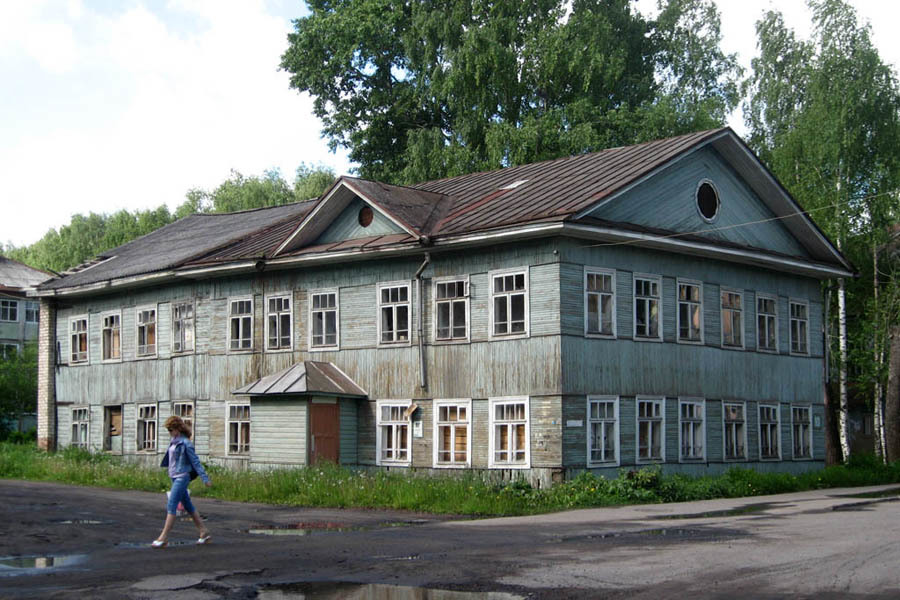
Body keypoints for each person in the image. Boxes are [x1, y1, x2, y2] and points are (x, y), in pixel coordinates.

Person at [152, 415, 212, 548]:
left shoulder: (186, 443)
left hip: (182, 476)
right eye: (168, 430)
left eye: (170, 430)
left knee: (172, 504)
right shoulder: (174, 441)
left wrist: (205, 478)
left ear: (177, 429)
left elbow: (195, 462)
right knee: (188, 505)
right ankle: (204, 531)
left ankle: (163, 537)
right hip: (174, 475)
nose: (169, 433)